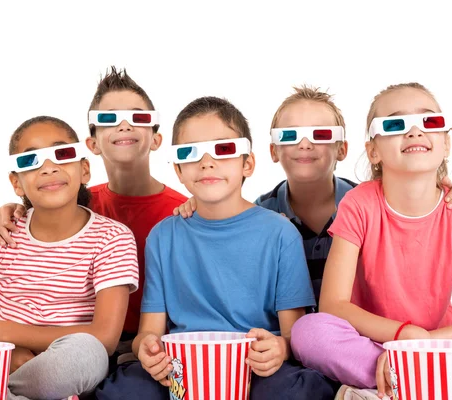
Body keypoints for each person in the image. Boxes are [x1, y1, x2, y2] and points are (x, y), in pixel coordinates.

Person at [97, 96, 337, 399]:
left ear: (247, 163)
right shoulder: (163, 236)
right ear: (179, 171)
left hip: (254, 367)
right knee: (125, 390)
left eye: (223, 150)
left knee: (297, 390)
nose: (207, 162)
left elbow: (292, 334)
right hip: (182, 367)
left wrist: (280, 348)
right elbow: (149, 331)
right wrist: (145, 348)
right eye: (191, 153)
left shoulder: (280, 233)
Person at [290, 83, 452, 399]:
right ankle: (447, 384)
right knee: (308, 332)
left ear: (446, 143)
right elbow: (334, 304)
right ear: (373, 151)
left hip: (442, 343)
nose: (414, 132)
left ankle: (398, 383)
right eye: (394, 125)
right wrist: (403, 337)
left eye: (430, 122)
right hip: (373, 342)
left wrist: (425, 345)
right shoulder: (358, 204)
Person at [174, 85, 452, 304]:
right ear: (272, 150)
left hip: (362, 324)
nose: (305, 144)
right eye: (290, 135)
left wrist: (446, 187)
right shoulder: (262, 213)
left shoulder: (364, 204)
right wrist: (201, 202)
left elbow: (411, 199)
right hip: (288, 332)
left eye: (321, 135)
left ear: (343, 149)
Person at [0, 116, 139, 400]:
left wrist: (6, 333)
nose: (48, 168)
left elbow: (105, 338)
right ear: (17, 183)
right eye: (31, 161)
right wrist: (9, 353)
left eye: (62, 154)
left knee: (87, 350)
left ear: (84, 169)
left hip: (59, 367)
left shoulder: (112, 237)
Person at [0, 68, 187, 364]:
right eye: (108, 118)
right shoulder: (76, 205)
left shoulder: (183, 211)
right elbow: (41, 218)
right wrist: (14, 209)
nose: (125, 125)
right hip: (78, 342)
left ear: (156, 139)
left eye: (138, 117)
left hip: (153, 346)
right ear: (91, 144)